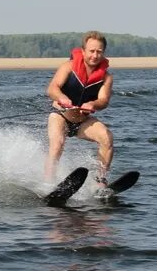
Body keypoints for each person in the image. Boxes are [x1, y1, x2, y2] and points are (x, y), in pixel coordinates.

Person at [45, 31, 114, 191]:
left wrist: (93, 104)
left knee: (107, 138)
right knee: (57, 144)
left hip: (82, 121)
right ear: (83, 51)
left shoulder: (106, 77)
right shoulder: (68, 67)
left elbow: (103, 101)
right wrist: (62, 98)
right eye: (91, 51)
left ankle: (100, 181)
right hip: (60, 115)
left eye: (99, 52)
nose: (95, 55)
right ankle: (48, 183)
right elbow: (52, 88)